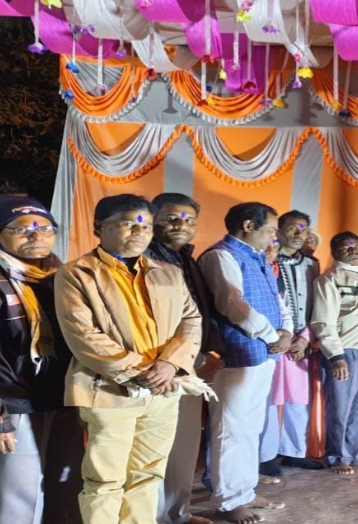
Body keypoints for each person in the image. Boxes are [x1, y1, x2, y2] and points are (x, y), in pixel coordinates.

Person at [55, 194, 202, 524]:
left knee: (148, 475)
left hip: (164, 390)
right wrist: (141, 371)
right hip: (108, 390)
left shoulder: (168, 272)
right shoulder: (77, 273)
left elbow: (191, 320)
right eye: (128, 224)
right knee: (104, 480)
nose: (139, 232)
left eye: (146, 226)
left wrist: (169, 364)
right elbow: (83, 335)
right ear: (99, 227)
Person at [199, 202, 293, 524]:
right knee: (230, 429)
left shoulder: (258, 257)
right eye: (269, 230)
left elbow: (277, 301)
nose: (273, 237)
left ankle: (245, 491)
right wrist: (272, 335)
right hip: (236, 354)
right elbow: (232, 304)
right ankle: (228, 501)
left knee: (251, 428)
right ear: (248, 226)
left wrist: (286, 332)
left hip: (263, 353)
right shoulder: (220, 255)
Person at [0, 196, 84, 524]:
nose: (36, 236)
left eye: (46, 229)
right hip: (15, 403)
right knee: (19, 494)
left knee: (65, 487)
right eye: (21, 229)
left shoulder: (62, 277)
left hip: (63, 397)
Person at [147, 193, 224, 524]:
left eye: (189, 220)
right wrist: (178, 359)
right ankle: (151, 516)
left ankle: (177, 513)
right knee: (154, 447)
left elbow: (204, 313)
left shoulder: (188, 259)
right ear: (152, 219)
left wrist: (212, 352)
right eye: (172, 218)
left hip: (192, 366)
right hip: (158, 367)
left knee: (184, 444)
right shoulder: (142, 257)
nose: (182, 225)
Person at [310, 232, 358, 475]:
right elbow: (323, 322)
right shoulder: (329, 280)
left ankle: (355, 454)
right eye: (347, 247)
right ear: (335, 251)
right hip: (344, 352)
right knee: (339, 407)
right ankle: (336, 456)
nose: (354, 251)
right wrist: (335, 356)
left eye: (357, 247)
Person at [258, 211, 324, 481]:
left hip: (300, 343)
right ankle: (265, 455)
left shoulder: (311, 265)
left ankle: (294, 451)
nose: (299, 234)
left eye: (304, 229)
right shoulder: (265, 259)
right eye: (293, 228)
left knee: (299, 400)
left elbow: (318, 305)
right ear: (278, 231)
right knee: (268, 400)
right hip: (272, 341)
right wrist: (277, 336)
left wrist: (306, 337)